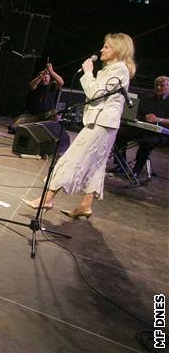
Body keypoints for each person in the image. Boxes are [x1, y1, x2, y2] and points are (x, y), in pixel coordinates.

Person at [22, 33, 136, 219]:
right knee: (96, 165)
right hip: (104, 124)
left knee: (73, 157)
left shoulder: (119, 69)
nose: (101, 50)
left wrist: (88, 72)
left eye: (106, 47)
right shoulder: (114, 69)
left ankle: (47, 199)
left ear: (118, 49)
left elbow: (94, 93)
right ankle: (85, 205)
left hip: (101, 124)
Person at [114, 75, 169, 176]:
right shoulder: (148, 97)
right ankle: (120, 165)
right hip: (145, 128)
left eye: (162, 85)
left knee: (147, 142)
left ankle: (136, 170)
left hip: (162, 134)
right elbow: (139, 112)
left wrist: (158, 119)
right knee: (119, 133)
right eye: (156, 85)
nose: (158, 88)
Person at [9, 62, 64, 133]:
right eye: (43, 77)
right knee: (18, 122)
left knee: (55, 118)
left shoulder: (52, 85)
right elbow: (32, 85)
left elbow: (61, 82)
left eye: (46, 76)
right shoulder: (37, 85)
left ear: (50, 77)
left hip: (47, 113)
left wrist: (51, 71)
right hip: (34, 114)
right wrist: (41, 76)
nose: (44, 78)